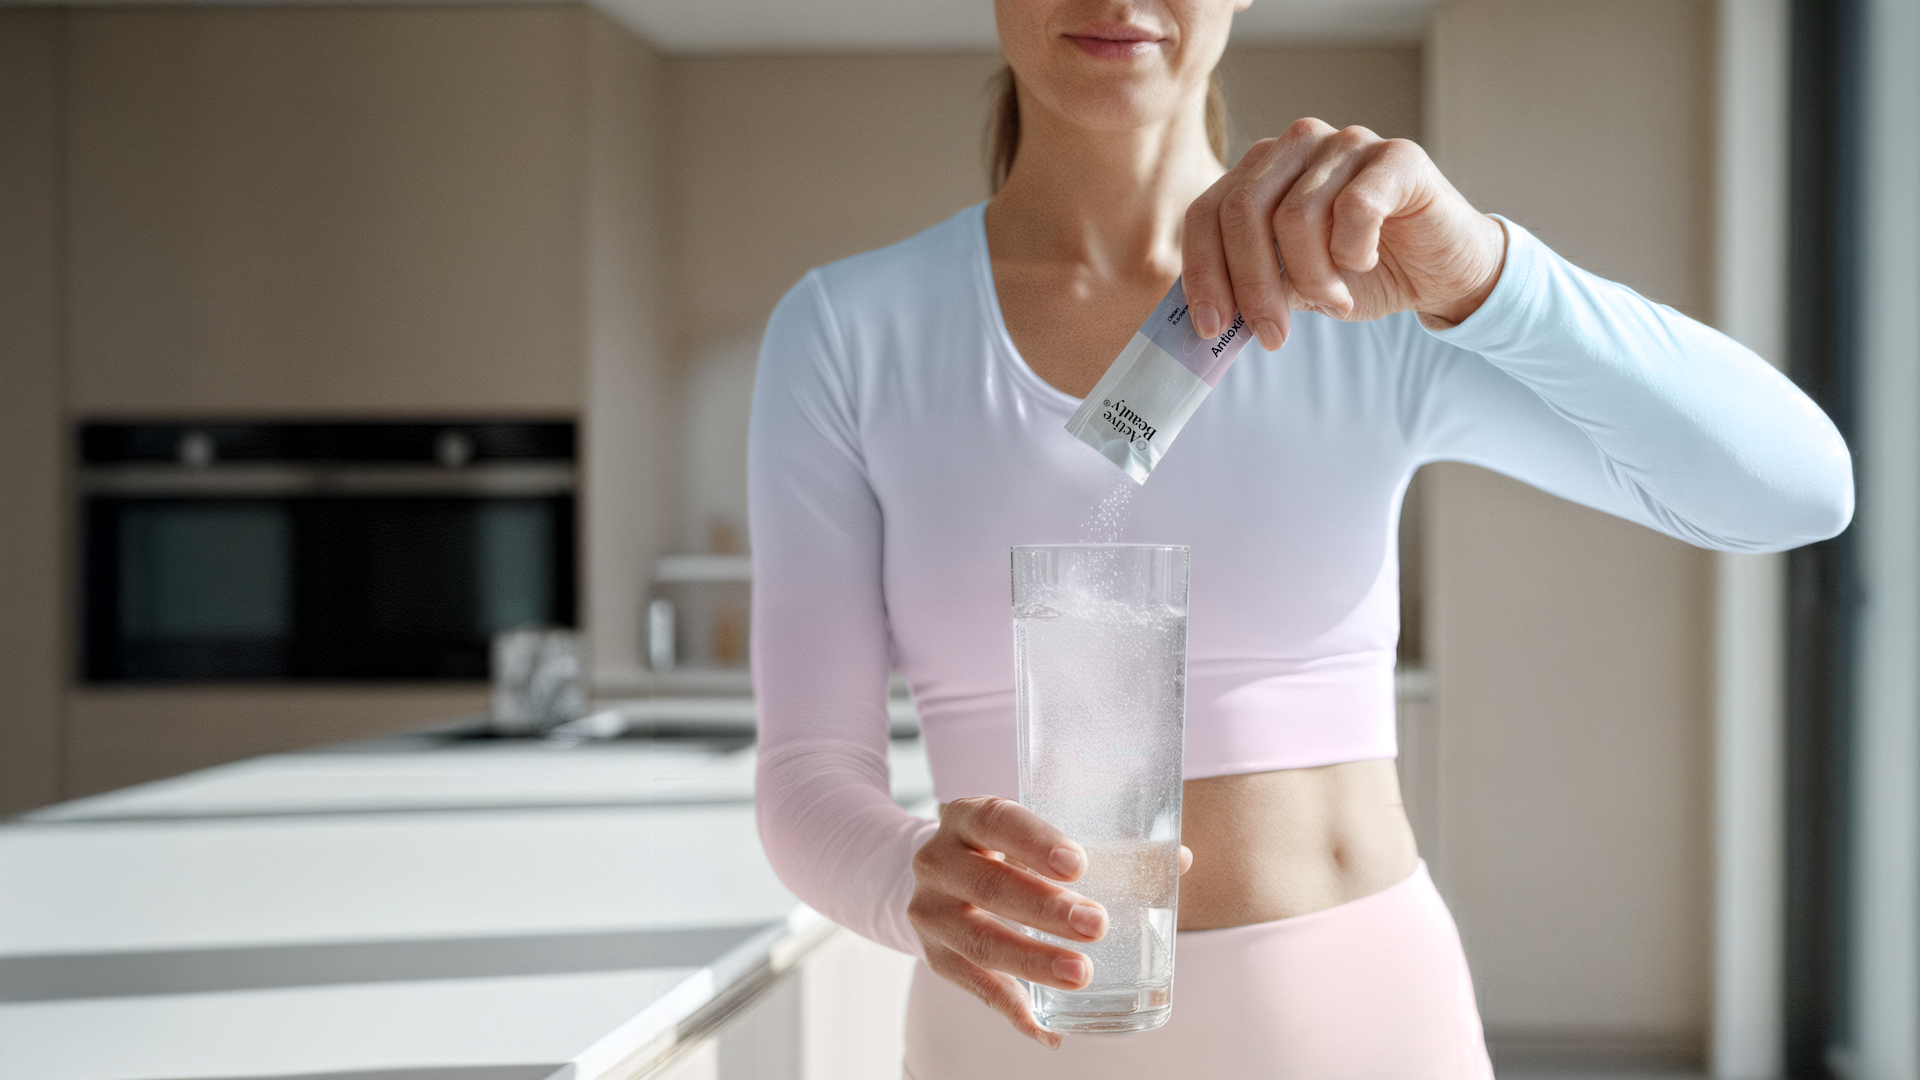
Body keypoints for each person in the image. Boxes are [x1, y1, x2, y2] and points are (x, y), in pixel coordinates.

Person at [747, 1, 1854, 1076]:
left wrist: (1491, 280)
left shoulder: (1367, 291)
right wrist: (906, 881)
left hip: (1368, 1034)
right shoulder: (851, 332)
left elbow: (1795, 491)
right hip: (1014, 1041)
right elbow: (807, 779)